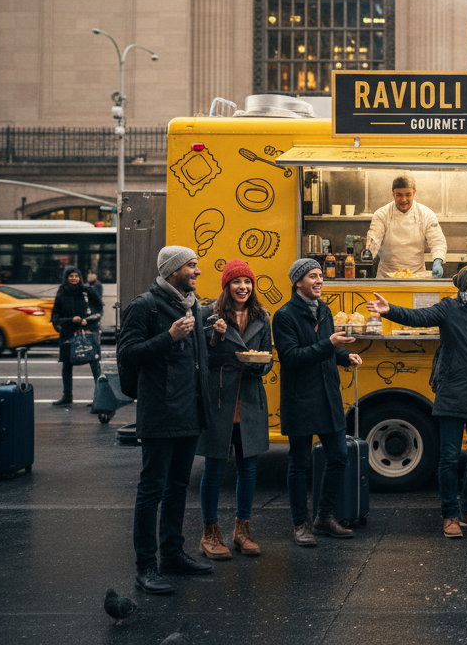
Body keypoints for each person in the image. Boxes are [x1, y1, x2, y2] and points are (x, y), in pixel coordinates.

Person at [366, 265, 467, 538]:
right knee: (449, 458)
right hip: (453, 393)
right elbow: (419, 316)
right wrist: (391, 310)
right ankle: (450, 516)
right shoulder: (449, 307)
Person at [119, 246, 213, 595]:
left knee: (177, 488)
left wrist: (211, 336)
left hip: (189, 410)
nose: (197, 271)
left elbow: (195, 358)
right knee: (151, 490)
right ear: (173, 270)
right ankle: (146, 567)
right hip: (160, 411)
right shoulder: (145, 305)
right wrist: (168, 337)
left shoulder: (191, 305)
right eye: (191, 266)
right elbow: (127, 355)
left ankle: (172, 554)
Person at [273, 258, 364, 547]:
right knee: (299, 463)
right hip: (300, 398)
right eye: (312, 276)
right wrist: (331, 346)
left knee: (338, 455)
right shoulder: (284, 316)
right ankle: (300, 524)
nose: (319, 281)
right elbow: (291, 357)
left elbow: (324, 350)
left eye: (320, 276)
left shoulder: (324, 310)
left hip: (328, 396)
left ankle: (324, 517)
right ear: (297, 282)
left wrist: (343, 357)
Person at [197, 259, 272, 560]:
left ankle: (242, 530)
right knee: (214, 469)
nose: (243, 287)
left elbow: (267, 355)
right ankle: (209, 532)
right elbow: (204, 359)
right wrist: (214, 337)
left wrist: (260, 365)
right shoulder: (210, 315)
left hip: (250, 398)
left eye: (248, 282)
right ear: (226, 286)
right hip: (220, 399)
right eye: (237, 282)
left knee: (249, 469)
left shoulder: (262, 317)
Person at [364, 175, 448, 278]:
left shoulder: (426, 214)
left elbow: (437, 241)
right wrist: (367, 256)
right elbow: (374, 240)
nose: (403, 199)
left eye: (408, 195)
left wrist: (438, 260)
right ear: (393, 194)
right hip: (387, 277)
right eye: (399, 195)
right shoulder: (382, 214)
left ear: (414, 193)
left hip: (417, 276)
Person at [49, 266, 103, 406]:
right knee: (67, 364)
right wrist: (71, 320)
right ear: (66, 278)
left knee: (94, 364)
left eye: (76, 276)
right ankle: (67, 396)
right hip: (68, 333)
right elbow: (55, 316)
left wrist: (88, 319)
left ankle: (99, 397)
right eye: (71, 276)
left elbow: (99, 309)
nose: (74, 278)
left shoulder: (87, 291)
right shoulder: (61, 293)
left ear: (80, 278)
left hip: (88, 331)